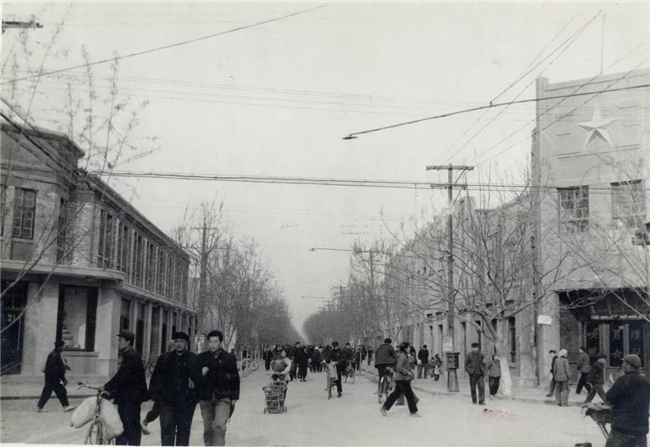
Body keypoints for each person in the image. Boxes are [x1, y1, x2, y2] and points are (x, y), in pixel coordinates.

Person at [144, 332, 196, 446]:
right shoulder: (165, 358)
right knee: (167, 428)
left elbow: (199, 379)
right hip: (167, 401)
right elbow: (156, 377)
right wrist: (154, 395)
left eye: (182, 342)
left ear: (186, 343)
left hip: (186, 402)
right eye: (176, 341)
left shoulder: (193, 358)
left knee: (183, 431)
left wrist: (194, 385)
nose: (179, 344)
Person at [192, 330, 240, 446]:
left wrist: (234, 397)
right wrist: (200, 373)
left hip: (223, 397)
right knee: (208, 429)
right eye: (211, 342)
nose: (213, 344)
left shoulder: (228, 358)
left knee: (219, 426)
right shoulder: (201, 358)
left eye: (215, 342)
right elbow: (193, 377)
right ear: (208, 343)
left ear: (220, 343)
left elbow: (235, 378)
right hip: (206, 398)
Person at [101, 330, 149, 446]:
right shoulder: (129, 354)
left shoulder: (131, 355)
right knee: (127, 425)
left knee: (129, 426)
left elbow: (122, 377)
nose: (118, 343)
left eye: (121, 340)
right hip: (129, 396)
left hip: (131, 397)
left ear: (128, 342)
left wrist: (106, 387)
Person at [605, 354, 650, 447]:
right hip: (641, 430)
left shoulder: (623, 380)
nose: (622, 366)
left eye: (624, 364)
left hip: (622, 428)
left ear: (629, 366)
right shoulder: (646, 381)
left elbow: (609, 397)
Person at [379, 342, 420, 417]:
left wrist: (410, 370)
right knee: (409, 395)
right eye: (408, 347)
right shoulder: (402, 356)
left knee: (396, 394)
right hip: (402, 378)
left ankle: (384, 408)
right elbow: (399, 367)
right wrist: (407, 372)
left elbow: (403, 366)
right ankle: (413, 411)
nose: (409, 349)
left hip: (401, 378)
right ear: (405, 348)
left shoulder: (403, 355)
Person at [37, 340, 73, 413]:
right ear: (59, 347)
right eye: (63, 346)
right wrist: (62, 378)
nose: (64, 347)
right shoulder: (55, 355)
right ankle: (65, 406)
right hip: (53, 378)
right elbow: (57, 368)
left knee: (48, 392)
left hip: (51, 378)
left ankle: (40, 407)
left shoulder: (55, 354)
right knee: (60, 391)